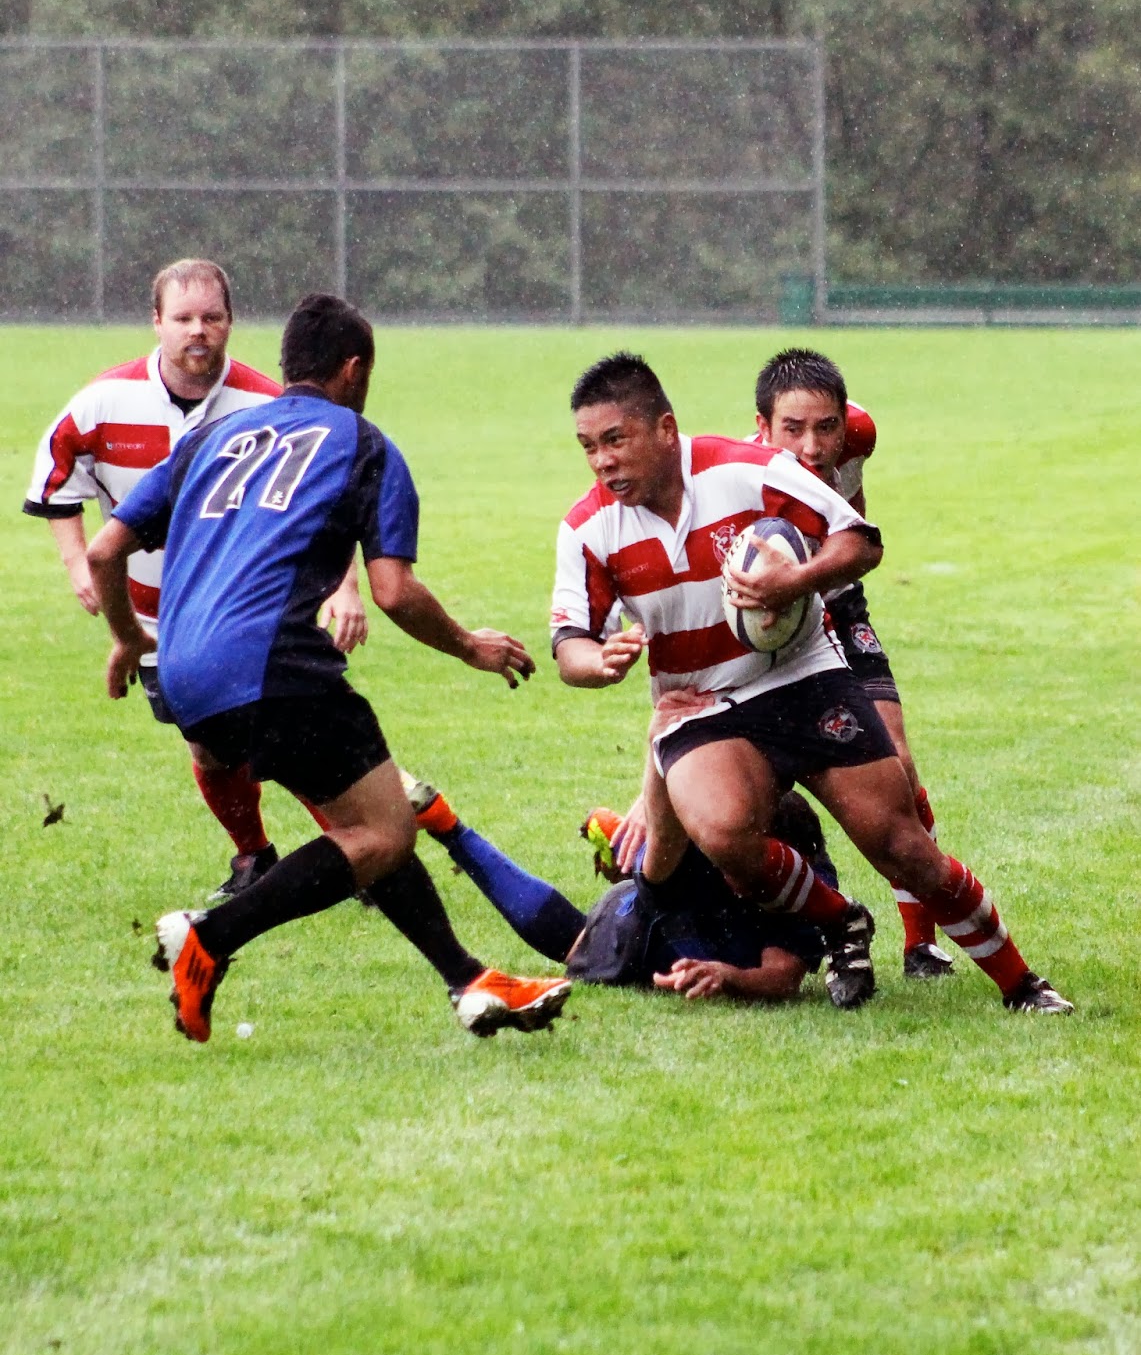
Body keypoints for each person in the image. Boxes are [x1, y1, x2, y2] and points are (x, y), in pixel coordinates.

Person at [85, 292, 571, 1043]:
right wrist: (471, 646)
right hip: (276, 665)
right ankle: (212, 935)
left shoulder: (213, 435)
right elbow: (393, 591)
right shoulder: (362, 443)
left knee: (365, 818)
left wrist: (126, 637)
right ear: (353, 369)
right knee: (384, 832)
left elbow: (105, 548)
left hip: (182, 673)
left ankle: (466, 978)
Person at [550, 351, 1072, 1015]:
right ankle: (839, 921)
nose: (601, 461)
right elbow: (569, 645)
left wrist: (789, 581)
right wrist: (596, 664)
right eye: (588, 447)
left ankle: (1021, 985)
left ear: (664, 429)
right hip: (698, 706)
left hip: (802, 675)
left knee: (902, 847)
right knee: (724, 832)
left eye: (614, 440)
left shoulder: (745, 471)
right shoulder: (586, 528)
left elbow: (860, 543)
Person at [23, 258, 365, 898]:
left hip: (253, 613)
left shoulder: (270, 403)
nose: (198, 331)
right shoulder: (104, 401)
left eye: (212, 317)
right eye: (183, 318)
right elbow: (54, 481)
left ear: (231, 322)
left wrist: (345, 588)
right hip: (158, 621)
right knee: (212, 749)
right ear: (157, 323)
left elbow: (325, 504)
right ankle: (256, 856)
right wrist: (78, 565)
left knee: (284, 739)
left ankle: (359, 850)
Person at [751, 347, 953, 979]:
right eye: (794, 429)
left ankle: (921, 944)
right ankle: (827, 924)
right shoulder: (741, 466)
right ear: (764, 426)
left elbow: (852, 513)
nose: (813, 445)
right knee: (766, 789)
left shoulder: (857, 431)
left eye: (825, 428)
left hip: (837, 598)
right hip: (773, 618)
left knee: (900, 762)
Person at [400, 771, 836, 1003]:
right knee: (582, 937)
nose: (739, 881)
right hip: (647, 918)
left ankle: (447, 825)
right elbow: (671, 755)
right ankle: (451, 829)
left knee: (581, 936)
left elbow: (782, 977)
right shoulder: (718, 827)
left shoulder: (809, 885)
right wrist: (633, 826)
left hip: (672, 927)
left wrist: (728, 977)